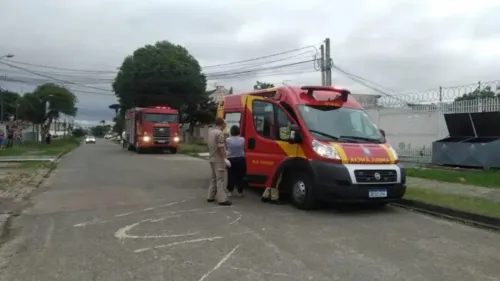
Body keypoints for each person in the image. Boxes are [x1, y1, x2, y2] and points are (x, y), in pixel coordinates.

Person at [207, 118, 232, 206]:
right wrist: (224, 158)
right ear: (222, 124)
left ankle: (210, 196)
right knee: (220, 179)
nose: (226, 125)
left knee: (214, 178)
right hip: (219, 160)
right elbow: (221, 147)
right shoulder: (220, 133)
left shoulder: (211, 132)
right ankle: (222, 199)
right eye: (225, 123)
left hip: (212, 158)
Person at [226, 125, 249, 197]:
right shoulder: (243, 139)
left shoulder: (228, 140)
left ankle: (230, 191)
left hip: (230, 159)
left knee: (231, 176)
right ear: (238, 131)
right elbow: (244, 148)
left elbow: (226, 148)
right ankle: (240, 192)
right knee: (240, 176)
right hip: (241, 159)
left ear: (231, 132)